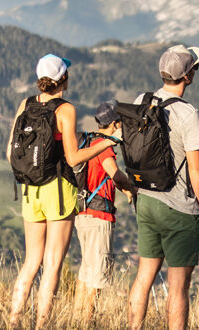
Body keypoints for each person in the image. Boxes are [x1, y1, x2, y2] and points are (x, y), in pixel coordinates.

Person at [7, 54, 121, 327]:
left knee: (31, 260)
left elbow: (10, 149)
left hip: (29, 190)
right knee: (53, 262)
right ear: (64, 79)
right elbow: (73, 158)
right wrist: (108, 143)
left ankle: (13, 321)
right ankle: (41, 323)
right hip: (58, 190)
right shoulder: (65, 109)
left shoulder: (26, 104)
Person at [128, 44, 199, 330]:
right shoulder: (188, 114)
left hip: (147, 200)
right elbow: (196, 169)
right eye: (194, 68)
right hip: (178, 208)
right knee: (178, 288)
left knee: (144, 275)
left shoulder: (143, 99)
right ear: (187, 76)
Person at [73, 100, 134, 323]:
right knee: (98, 275)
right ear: (114, 123)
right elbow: (115, 174)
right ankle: (87, 322)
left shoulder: (89, 142)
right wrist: (131, 188)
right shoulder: (104, 146)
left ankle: (75, 319)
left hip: (83, 213)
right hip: (99, 216)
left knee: (86, 271)